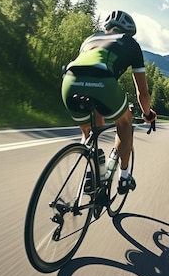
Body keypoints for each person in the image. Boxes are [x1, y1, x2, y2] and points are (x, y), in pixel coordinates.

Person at [61, 10, 156, 194]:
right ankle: (125, 176)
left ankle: (92, 171)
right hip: (102, 82)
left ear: (107, 28)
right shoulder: (131, 43)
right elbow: (142, 93)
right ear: (129, 31)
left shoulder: (89, 39)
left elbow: (84, 66)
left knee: (89, 130)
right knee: (125, 122)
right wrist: (147, 114)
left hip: (69, 82)